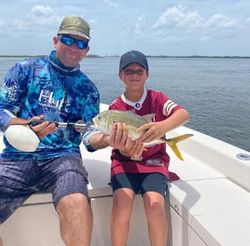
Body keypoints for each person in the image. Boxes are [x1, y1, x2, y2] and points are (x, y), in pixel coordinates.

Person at [0, 16, 136, 246]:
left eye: (81, 43)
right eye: (67, 39)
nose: (74, 47)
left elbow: (88, 136)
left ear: (87, 50)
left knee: (78, 205)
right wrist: (24, 127)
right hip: (17, 157)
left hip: (64, 158)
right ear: (55, 40)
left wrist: (110, 139)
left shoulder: (88, 90)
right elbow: (2, 108)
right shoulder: (25, 69)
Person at [109, 50, 190, 246]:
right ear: (120, 75)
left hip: (154, 162)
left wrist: (162, 127)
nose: (134, 75)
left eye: (139, 71)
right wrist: (127, 150)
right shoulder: (116, 107)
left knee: (155, 203)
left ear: (147, 74)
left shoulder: (158, 98)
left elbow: (183, 114)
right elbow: (118, 147)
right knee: (122, 202)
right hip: (124, 162)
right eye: (128, 71)